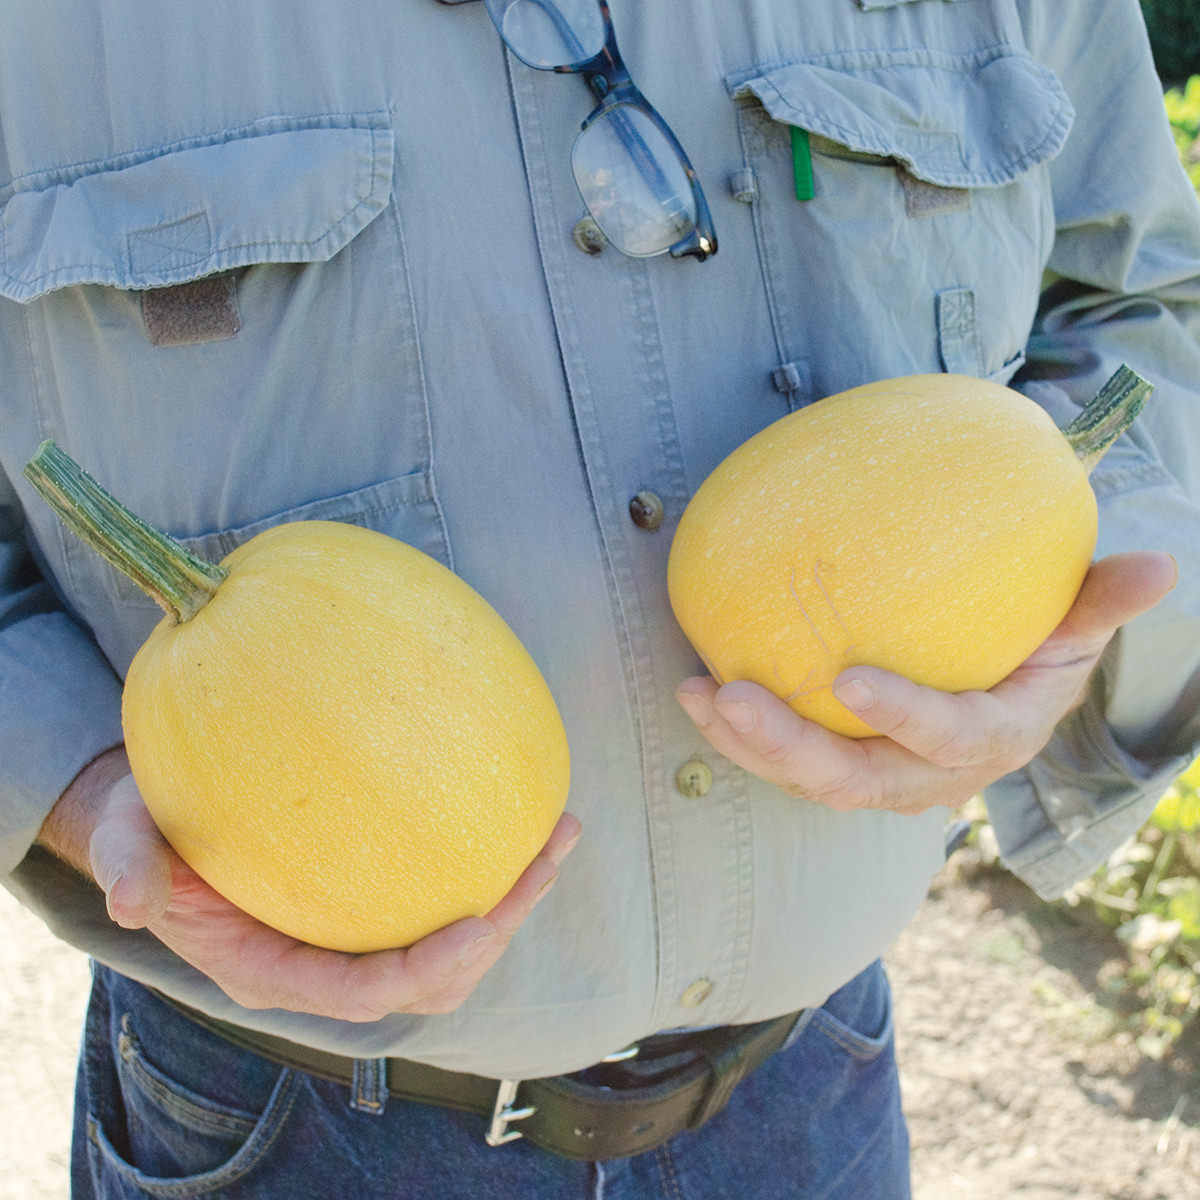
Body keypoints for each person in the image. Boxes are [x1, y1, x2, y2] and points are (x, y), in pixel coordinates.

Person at [2, 1, 1199, 1196]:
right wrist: (76, 783)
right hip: (297, 1129)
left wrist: (1064, 606)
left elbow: (1148, 302)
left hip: (812, 1089)